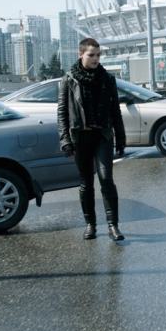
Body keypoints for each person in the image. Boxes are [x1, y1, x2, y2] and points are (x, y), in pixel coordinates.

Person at [58, 38, 126, 241]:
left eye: (98, 55)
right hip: (80, 136)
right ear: (81, 55)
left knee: (106, 179)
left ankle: (113, 226)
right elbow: (62, 113)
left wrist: (120, 138)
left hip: (103, 135)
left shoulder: (107, 79)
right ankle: (90, 224)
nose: (96, 59)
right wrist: (65, 140)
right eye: (91, 55)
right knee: (86, 182)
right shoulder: (68, 80)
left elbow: (115, 111)